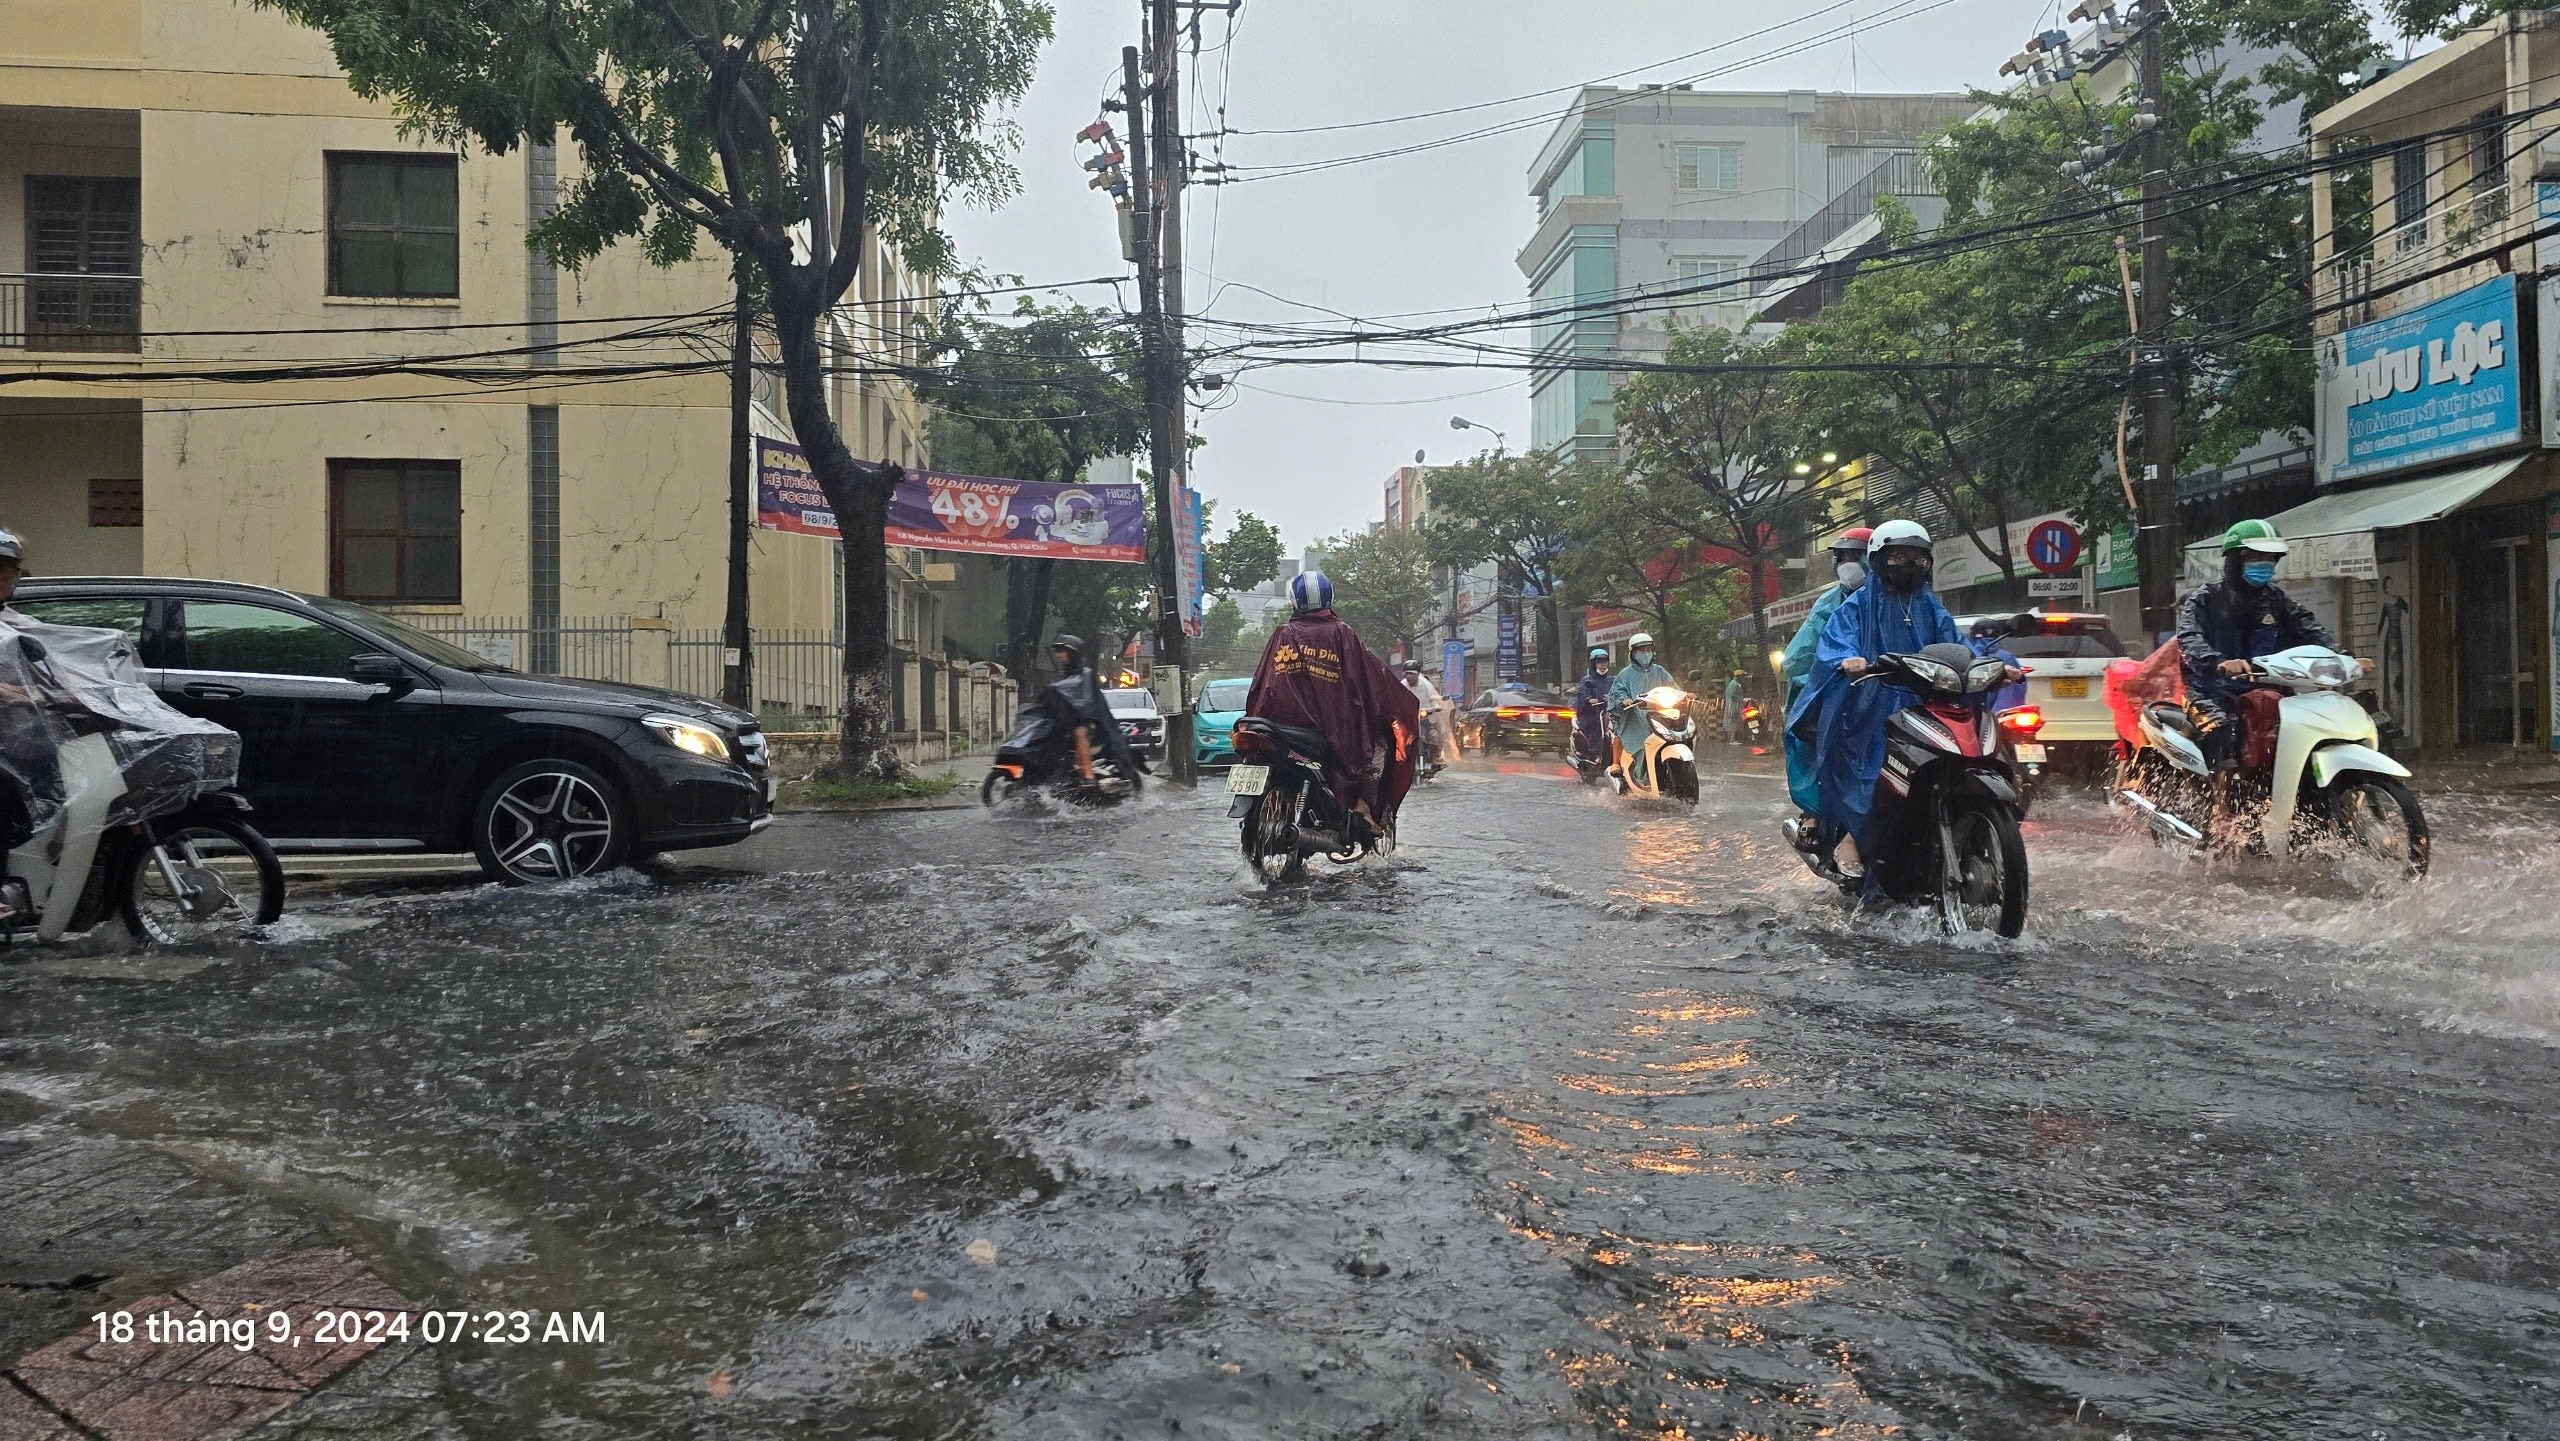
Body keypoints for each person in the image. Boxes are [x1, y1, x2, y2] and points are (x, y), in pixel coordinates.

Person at [1787, 521, 1974, 893]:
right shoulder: (1854, 605)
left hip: (1925, 701)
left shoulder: (1930, 606)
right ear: (1880, 560)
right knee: (1874, 766)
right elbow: (1831, 644)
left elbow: (1958, 643)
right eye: (1899, 556)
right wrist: (1848, 659)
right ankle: (1853, 838)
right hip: (1867, 704)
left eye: (1917, 557)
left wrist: (1995, 664)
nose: (1908, 564)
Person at [2175, 521, 2361, 826]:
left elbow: (2309, 628)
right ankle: (2219, 811)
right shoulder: (2204, 598)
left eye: (2269, 560)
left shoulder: (2276, 599)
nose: (2263, 566)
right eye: (2254, 558)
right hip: (2211, 690)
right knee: (2224, 731)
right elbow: (2189, 638)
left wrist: (2343, 655)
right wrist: (2218, 661)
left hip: (2268, 688)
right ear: (2234, 561)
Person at [1245, 571, 1420, 840]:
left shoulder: (1283, 633)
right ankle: (1362, 807)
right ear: (1330, 599)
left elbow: (1261, 685)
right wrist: (1398, 702)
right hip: (1333, 731)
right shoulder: (1342, 634)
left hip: (1278, 729)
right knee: (1379, 747)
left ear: (1295, 601)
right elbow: (1371, 679)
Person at [1782, 527, 1872, 827]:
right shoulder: (1831, 603)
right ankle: (1817, 810)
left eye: (1856, 556)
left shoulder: (1902, 599)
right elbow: (1804, 651)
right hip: (1844, 690)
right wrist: (1827, 670)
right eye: (1842, 556)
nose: (1848, 563)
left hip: (1893, 689)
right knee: (1814, 733)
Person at [1606, 632, 1676, 787]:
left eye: (1648, 650)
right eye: (1641, 651)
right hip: (1634, 715)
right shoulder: (1625, 674)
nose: (1646, 654)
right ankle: (1626, 769)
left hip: (1659, 714)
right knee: (1638, 741)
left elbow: (1672, 686)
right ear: (1633, 653)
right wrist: (1624, 700)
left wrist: (1684, 694)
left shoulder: (1660, 671)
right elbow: (1618, 692)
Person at [1968, 618, 2028, 715]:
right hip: (2007, 715)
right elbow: (2020, 685)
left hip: (1976, 717)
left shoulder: (1968, 655)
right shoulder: (2008, 657)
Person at [1401, 660, 1454, 763]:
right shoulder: (1402, 685)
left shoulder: (1425, 685)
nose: (1410, 677)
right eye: (1407, 674)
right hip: (1408, 719)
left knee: (1433, 735)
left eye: (1412, 674)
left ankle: (1435, 757)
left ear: (1418, 674)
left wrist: (1436, 706)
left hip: (1425, 718)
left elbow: (1434, 697)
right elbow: (1396, 698)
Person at [1573, 646, 1613, 765]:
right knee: (1598, 723)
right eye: (1599, 662)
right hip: (1591, 714)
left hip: (1609, 712)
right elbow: (1583, 696)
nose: (1603, 664)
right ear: (1593, 663)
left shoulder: (1613, 680)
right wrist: (1591, 700)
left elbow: (1619, 692)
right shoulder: (1587, 680)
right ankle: (1597, 754)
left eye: (1605, 661)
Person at [1722, 669, 1749, 744]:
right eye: (1743, 676)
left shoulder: (1734, 683)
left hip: (1733, 705)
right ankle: (1732, 740)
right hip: (1733, 706)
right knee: (1732, 721)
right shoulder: (1734, 684)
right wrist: (1742, 699)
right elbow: (1732, 695)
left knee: (1731, 721)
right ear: (1739, 676)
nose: (1744, 678)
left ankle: (1731, 739)